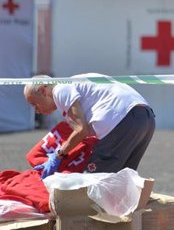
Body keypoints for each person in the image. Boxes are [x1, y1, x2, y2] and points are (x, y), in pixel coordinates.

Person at [24, 73, 156, 176]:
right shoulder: (75, 83)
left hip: (122, 121)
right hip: (146, 119)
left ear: (43, 90)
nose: (36, 110)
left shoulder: (60, 90)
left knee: (91, 184)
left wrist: (58, 154)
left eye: (34, 104)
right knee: (124, 180)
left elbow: (81, 130)